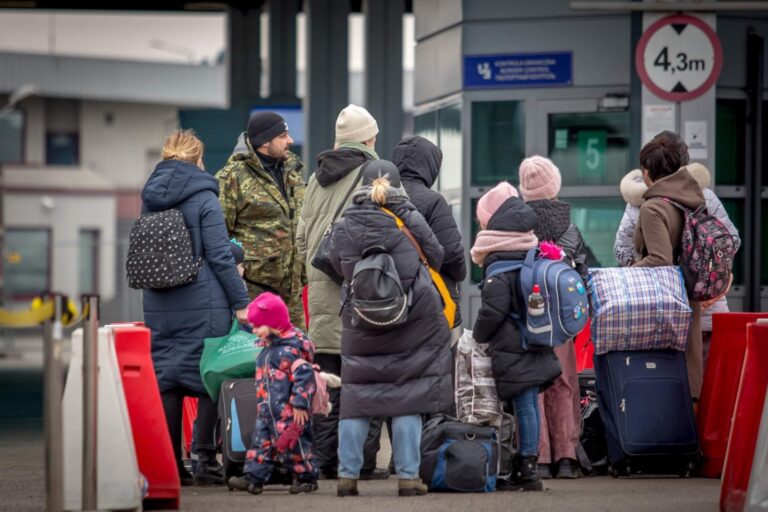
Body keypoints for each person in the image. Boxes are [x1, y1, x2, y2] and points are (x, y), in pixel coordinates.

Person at [328, 161, 452, 497]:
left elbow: (337, 264)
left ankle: (347, 476)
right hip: (408, 319)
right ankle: (409, 477)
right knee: (406, 397)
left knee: (356, 398)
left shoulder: (345, 223)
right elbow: (437, 256)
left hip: (361, 319)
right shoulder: (408, 216)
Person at [140, 130, 250, 486]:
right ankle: (205, 458)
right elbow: (218, 254)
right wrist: (241, 303)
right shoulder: (204, 197)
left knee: (168, 381)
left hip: (159, 297)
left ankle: (172, 464)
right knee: (209, 374)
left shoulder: (150, 197)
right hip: (202, 298)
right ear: (197, 159)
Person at [296, 104, 389, 480]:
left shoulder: (316, 180)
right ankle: (362, 463)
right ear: (368, 138)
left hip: (321, 297)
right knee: (364, 382)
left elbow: (302, 243)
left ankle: (323, 461)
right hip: (360, 295)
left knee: (328, 381)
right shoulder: (375, 174)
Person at [470, 182, 561, 492]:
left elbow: (493, 309)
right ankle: (527, 465)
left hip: (514, 344)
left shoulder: (500, 260)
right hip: (533, 337)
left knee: (524, 405)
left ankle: (527, 468)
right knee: (529, 404)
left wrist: (477, 336)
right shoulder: (528, 248)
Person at [615, 163, 741, 366]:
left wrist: (634, 270)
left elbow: (621, 250)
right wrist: (717, 280)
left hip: (660, 310)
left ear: (647, 172)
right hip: (706, 308)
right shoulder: (704, 195)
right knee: (706, 383)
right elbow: (731, 241)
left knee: (665, 377)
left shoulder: (642, 203)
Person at [518, 156, 586, 480]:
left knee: (534, 382)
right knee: (563, 381)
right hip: (561, 321)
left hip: (527, 317)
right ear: (554, 186)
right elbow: (582, 274)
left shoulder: (517, 222)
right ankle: (568, 458)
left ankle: (539, 456)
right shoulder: (568, 226)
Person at [631, 131, 706, 399]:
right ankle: (690, 435)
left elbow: (659, 259)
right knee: (689, 371)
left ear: (648, 171)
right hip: (689, 296)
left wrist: (627, 272)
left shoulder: (653, 208)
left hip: (663, 302)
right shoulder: (690, 199)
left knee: (662, 376)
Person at [217, 111, 307, 328]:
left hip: (293, 292)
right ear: (266, 142)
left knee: (296, 355)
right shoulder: (233, 177)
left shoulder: (292, 172)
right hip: (256, 293)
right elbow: (218, 234)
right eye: (283, 136)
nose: (291, 141)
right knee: (260, 358)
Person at [227, 292, 320, 495]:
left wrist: (299, 404)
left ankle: (307, 477)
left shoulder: (290, 350)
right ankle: (254, 478)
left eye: (258, 325)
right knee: (260, 445)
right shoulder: (268, 349)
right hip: (267, 411)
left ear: (274, 324)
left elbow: (305, 377)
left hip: (289, 412)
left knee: (296, 446)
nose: (254, 330)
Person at [393, 135, 467, 342]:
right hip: (431, 304)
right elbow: (452, 253)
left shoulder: (381, 197)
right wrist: (459, 273)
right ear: (430, 165)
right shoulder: (433, 201)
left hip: (389, 301)